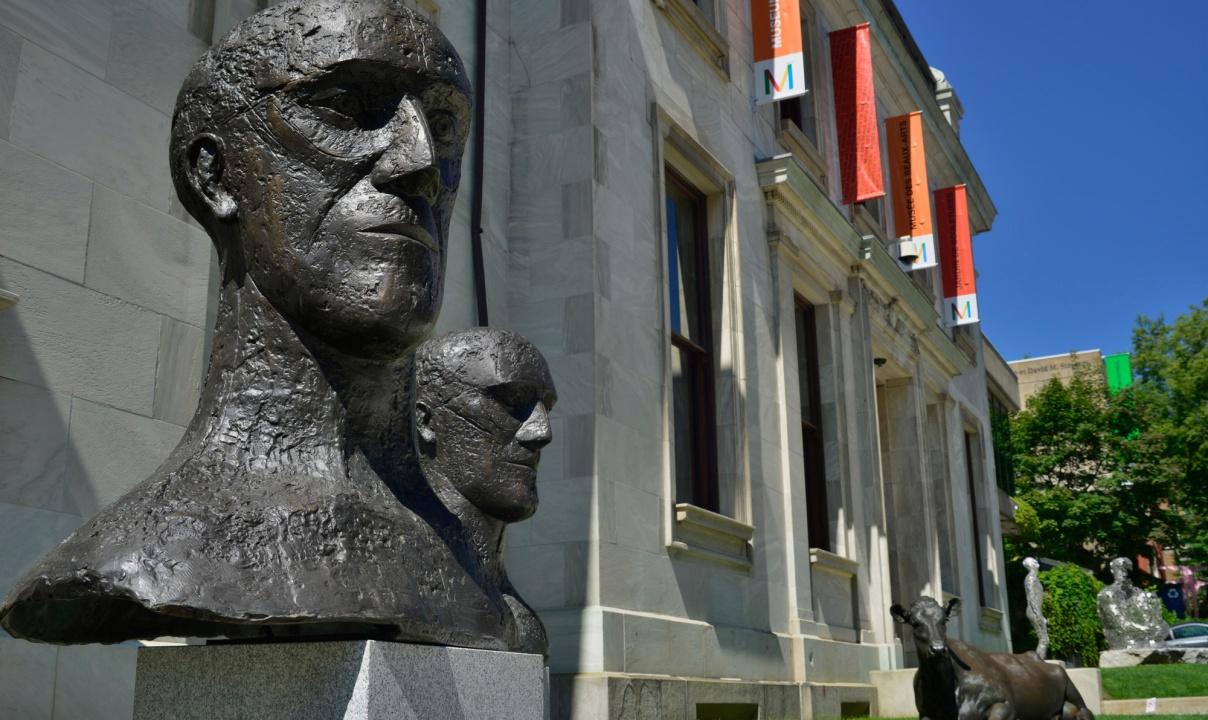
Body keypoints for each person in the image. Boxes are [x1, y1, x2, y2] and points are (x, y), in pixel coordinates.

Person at [0, 0, 541, 653]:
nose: (419, 159)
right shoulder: (151, 552)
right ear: (216, 175)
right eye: (345, 107)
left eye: (446, 125)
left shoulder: (474, 572)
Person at [413, 328, 557, 655]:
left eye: (546, 407)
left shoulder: (516, 613)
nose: (542, 431)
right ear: (427, 422)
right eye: (512, 402)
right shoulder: (407, 582)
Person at [1097, 557, 1170, 650]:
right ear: (1112, 570)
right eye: (1120, 569)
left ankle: (1148, 642)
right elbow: (1119, 623)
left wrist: (1155, 609)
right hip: (1123, 639)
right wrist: (1145, 629)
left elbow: (1157, 622)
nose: (1124, 573)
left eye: (1127, 569)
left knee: (1162, 631)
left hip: (1143, 635)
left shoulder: (1138, 593)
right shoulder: (1107, 594)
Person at [1023, 557, 1049, 659]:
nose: (1037, 563)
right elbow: (1032, 597)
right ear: (1032, 565)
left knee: (1043, 639)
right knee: (1044, 639)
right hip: (1034, 611)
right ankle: (1039, 663)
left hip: (1035, 611)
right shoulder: (1031, 578)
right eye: (1034, 562)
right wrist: (1039, 615)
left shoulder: (1033, 578)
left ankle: (1040, 662)